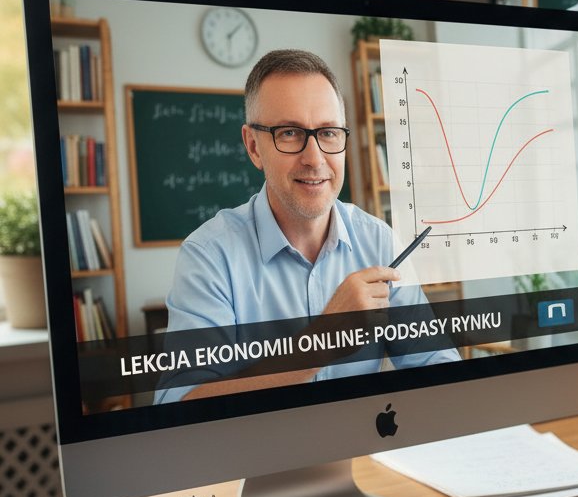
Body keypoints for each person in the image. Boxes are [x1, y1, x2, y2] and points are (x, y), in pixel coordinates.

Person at [155, 49, 457, 403]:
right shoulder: (209, 256)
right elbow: (180, 404)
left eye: (328, 133)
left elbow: (436, 362)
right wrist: (319, 343)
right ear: (253, 146)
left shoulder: (379, 242)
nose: (314, 159)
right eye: (289, 133)